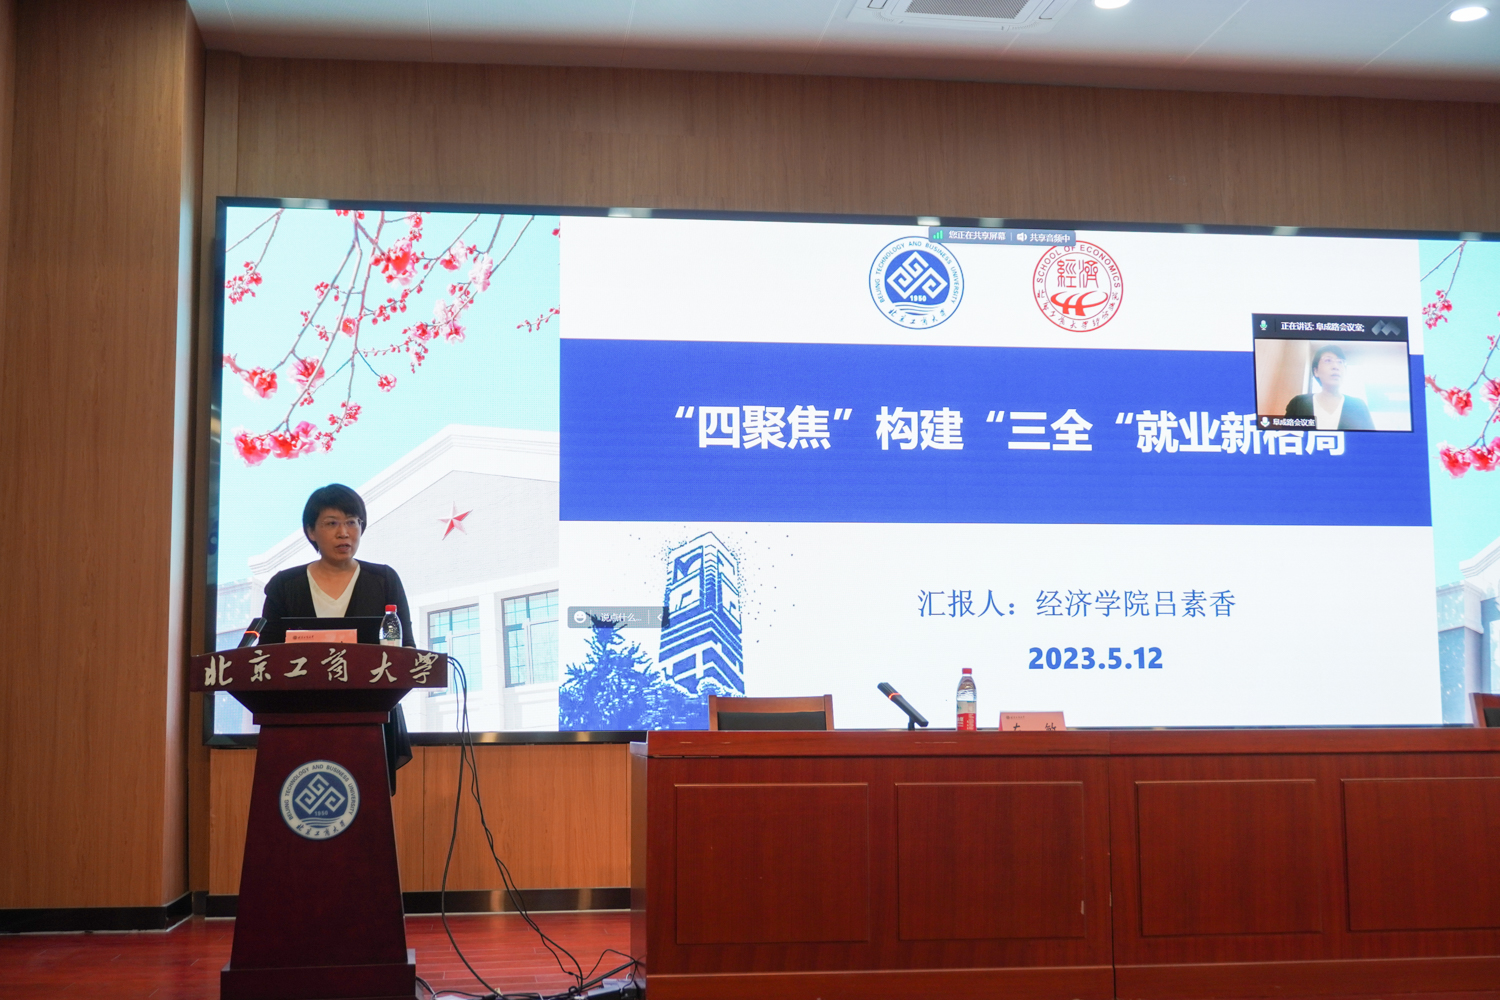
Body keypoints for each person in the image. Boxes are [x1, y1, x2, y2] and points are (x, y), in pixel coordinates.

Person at [259, 483, 414, 789]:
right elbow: (266, 657)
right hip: (298, 721)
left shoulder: (383, 580)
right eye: (332, 523)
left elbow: (405, 648)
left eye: (352, 522)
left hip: (370, 719)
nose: (344, 533)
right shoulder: (285, 585)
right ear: (311, 531)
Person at [1283, 344, 1375, 430]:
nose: (1335, 367)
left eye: (1340, 362)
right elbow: (1285, 436)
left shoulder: (1358, 406)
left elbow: (1371, 440)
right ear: (1316, 371)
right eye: (1328, 360)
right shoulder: (1298, 403)